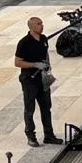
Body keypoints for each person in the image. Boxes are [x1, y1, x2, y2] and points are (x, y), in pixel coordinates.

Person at [14, 16, 61, 146]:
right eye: (39, 24)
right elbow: (17, 62)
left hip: (42, 79)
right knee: (29, 109)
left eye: (42, 23)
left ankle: (49, 135)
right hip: (29, 80)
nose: (42, 26)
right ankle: (31, 136)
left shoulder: (43, 39)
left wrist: (47, 66)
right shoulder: (24, 43)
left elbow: (45, 54)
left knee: (46, 108)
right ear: (31, 27)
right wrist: (34, 64)